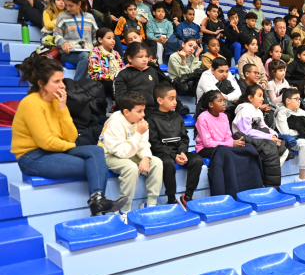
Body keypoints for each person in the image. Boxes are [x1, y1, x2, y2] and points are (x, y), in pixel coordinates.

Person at [11, 56, 126, 216]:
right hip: (32, 157)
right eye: (57, 81)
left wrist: (63, 108)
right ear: (41, 84)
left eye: (62, 80)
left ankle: (97, 199)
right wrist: (70, 146)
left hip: (55, 151)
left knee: (96, 151)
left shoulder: (55, 101)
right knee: (95, 167)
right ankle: (97, 204)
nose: (63, 85)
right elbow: (46, 142)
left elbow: (71, 136)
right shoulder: (31, 103)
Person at [99, 91, 163, 222]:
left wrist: (145, 157)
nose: (143, 115)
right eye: (139, 111)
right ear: (127, 112)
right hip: (109, 154)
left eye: (143, 111)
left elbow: (144, 144)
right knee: (131, 168)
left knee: (156, 162)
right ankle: (124, 210)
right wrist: (138, 134)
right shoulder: (114, 123)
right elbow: (122, 153)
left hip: (130, 152)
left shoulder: (141, 121)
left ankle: (150, 205)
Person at [147, 83, 202, 208]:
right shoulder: (152, 119)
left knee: (197, 160)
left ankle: (187, 197)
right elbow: (155, 144)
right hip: (162, 153)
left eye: (175, 98)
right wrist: (173, 155)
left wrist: (182, 152)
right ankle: (171, 199)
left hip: (178, 151)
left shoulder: (178, 117)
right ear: (160, 100)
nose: (175, 102)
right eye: (171, 99)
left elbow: (184, 138)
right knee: (168, 164)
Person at [233, 85, 286, 186]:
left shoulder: (257, 111)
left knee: (284, 147)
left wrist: (274, 135)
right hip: (243, 139)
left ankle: (267, 175)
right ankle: (268, 184)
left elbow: (264, 126)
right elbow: (247, 131)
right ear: (250, 98)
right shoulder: (244, 110)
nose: (263, 98)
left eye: (263, 96)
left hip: (257, 138)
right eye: (260, 95)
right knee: (269, 149)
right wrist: (268, 137)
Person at [274, 88, 305, 182]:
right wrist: (302, 133)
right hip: (290, 141)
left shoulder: (302, 112)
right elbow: (285, 132)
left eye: (299, 99)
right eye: (296, 99)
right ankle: (302, 177)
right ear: (288, 100)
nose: (299, 101)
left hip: (303, 138)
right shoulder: (282, 112)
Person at [54, 0, 97, 81]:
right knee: (85, 57)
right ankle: (77, 85)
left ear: (79, 4)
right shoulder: (62, 17)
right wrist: (63, 43)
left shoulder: (89, 17)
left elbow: (95, 36)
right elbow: (56, 34)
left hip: (88, 51)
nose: (68, 8)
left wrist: (97, 48)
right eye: (66, 5)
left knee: (89, 56)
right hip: (69, 53)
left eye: (71, 5)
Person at [195, 90, 246, 157]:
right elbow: (207, 143)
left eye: (223, 100)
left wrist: (235, 143)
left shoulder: (224, 116)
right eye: (220, 101)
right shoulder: (202, 118)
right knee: (227, 153)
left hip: (223, 147)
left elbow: (228, 136)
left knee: (248, 148)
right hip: (205, 149)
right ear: (211, 105)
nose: (224, 103)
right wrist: (230, 144)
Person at [114, 42, 161, 114]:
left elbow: (157, 93)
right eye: (140, 57)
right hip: (131, 112)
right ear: (129, 58)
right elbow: (120, 99)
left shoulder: (152, 71)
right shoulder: (122, 74)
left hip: (152, 111)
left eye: (146, 56)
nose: (145, 59)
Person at [87, 28, 124, 97]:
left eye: (113, 38)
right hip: (98, 81)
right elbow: (96, 74)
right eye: (109, 38)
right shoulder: (95, 52)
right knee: (115, 84)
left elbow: (121, 70)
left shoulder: (116, 54)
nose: (112, 41)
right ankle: (118, 106)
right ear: (100, 40)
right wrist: (113, 77)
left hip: (114, 80)